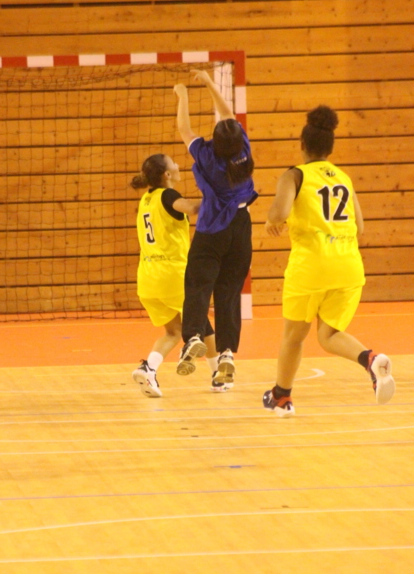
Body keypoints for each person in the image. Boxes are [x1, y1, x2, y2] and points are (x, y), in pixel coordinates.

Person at [263, 105, 395, 417]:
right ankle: (369, 359)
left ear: (302, 145)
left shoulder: (294, 174)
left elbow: (279, 213)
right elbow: (359, 227)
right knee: (328, 335)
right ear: (330, 147)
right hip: (348, 265)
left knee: (294, 337)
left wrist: (272, 221)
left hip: (312, 265)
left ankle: (282, 397)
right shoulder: (343, 178)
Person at [173, 70, 257, 383]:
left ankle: (194, 336)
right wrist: (210, 83)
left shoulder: (207, 156)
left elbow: (184, 129)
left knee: (198, 284)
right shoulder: (243, 150)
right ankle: (227, 352)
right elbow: (228, 115)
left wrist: (183, 95)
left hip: (213, 227)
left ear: (216, 141)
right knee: (229, 291)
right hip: (241, 226)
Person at [130, 153, 230, 397]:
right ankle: (219, 377)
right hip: (172, 274)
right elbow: (193, 208)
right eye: (173, 163)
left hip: (147, 276)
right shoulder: (168, 195)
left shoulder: (146, 199)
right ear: (167, 174)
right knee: (202, 322)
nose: (177, 165)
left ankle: (148, 368)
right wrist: (219, 195)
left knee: (174, 332)